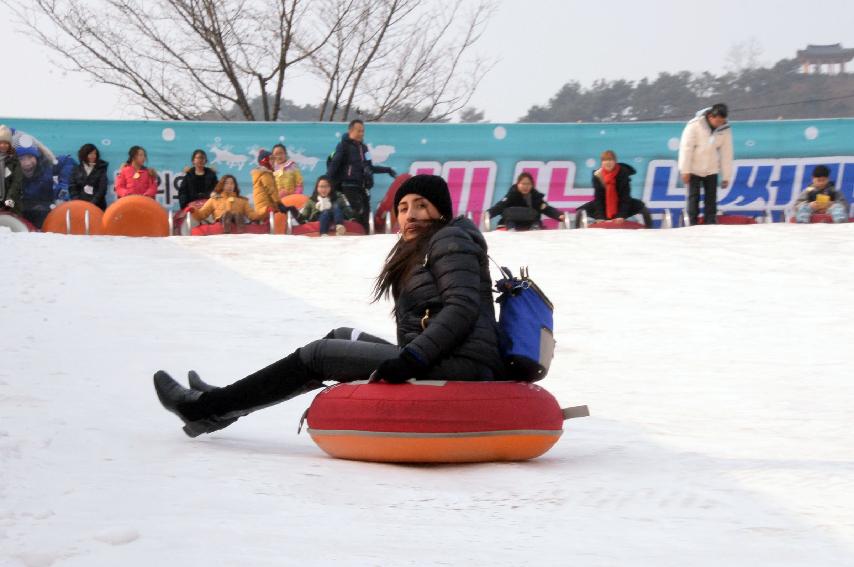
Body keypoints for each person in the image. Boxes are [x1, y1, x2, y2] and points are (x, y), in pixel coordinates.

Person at [153, 174, 505, 437]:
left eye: (421, 205)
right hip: (439, 356)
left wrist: (412, 358)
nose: (410, 215)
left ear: (440, 210)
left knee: (317, 355)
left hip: (458, 364)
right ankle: (230, 403)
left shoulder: (450, 239)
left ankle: (203, 409)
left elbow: (461, 308)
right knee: (341, 335)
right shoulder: (424, 246)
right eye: (402, 208)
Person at [327, 119, 398, 232]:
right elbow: (334, 165)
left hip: (362, 187)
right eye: (359, 131)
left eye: (363, 131)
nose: (362, 133)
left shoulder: (364, 148)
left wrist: (387, 170)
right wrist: (328, 182)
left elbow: (369, 167)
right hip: (348, 186)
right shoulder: (343, 146)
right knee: (356, 214)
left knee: (366, 215)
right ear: (351, 130)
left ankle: (365, 241)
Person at [678, 103, 733, 225]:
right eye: (717, 121)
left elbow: (726, 153)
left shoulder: (725, 129)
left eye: (722, 121)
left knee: (711, 201)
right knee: (694, 198)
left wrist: (726, 177)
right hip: (693, 169)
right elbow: (686, 148)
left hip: (711, 169)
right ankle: (692, 224)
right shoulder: (694, 125)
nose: (719, 124)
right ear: (710, 116)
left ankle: (710, 223)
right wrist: (685, 170)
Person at [574, 150, 653, 228]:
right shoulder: (597, 175)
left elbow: (625, 197)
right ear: (602, 162)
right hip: (604, 205)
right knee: (582, 210)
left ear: (615, 161)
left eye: (610, 160)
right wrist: (599, 216)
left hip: (621, 203)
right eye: (605, 160)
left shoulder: (623, 173)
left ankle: (649, 228)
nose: (608, 162)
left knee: (640, 206)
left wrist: (621, 215)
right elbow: (598, 198)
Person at [15, 136, 76, 228]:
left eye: (30, 157)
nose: (27, 163)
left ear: (36, 156)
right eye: (21, 159)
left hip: (49, 212)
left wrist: (62, 188)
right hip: (24, 216)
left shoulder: (47, 165)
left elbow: (68, 161)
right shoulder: (11, 173)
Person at [487, 172, 565, 230]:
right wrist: (489, 214)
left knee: (537, 229)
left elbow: (546, 208)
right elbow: (500, 206)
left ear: (532, 185)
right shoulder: (511, 195)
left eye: (528, 184)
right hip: (511, 224)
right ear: (518, 184)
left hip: (532, 225)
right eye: (523, 184)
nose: (525, 187)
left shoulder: (536, 197)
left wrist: (559, 215)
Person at [189, 175, 263, 233]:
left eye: (232, 183)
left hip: (238, 221)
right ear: (222, 185)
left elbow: (252, 215)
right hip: (220, 222)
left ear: (235, 186)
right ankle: (226, 221)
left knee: (237, 214)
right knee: (227, 214)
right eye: (226, 183)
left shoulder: (242, 201)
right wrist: (193, 210)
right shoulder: (214, 199)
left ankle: (239, 226)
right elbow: (202, 214)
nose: (229, 186)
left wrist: (264, 212)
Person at [69, 143, 109, 210]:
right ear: (84, 155)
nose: (93, 156)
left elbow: (102, 188)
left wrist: (92, 203)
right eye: (90, 154)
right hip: (80, 206)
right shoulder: (76, 169)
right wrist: (78, 202)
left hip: (98, 206)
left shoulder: (101, 169)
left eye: (95, 153)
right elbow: (72, 187)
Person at [0, 125, 23, 216]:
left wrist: (9, 201)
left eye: (6, 143)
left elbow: (16, 182)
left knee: (11, 215)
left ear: (10, 145)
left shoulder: (14, 160)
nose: (3, 145)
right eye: (1, 142)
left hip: (11, 200)